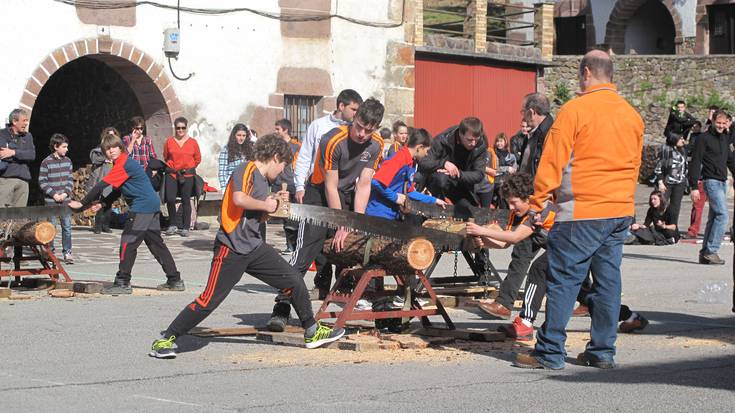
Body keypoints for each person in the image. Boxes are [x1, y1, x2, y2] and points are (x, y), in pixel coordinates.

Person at [148, 135, 344, 359]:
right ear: (275, 157)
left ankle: (311, 331)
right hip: (231, 247)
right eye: (282, 166)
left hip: (253, 247)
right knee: (209, 301)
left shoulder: (262, 181)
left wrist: (274, 206)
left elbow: (256, 217)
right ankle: (166, 339)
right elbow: (239, 199)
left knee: (294, 280)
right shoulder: (246, 169)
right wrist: (267, 204)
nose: (281, 172)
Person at [513, 50, 644, 370]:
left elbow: (552, 162)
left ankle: (550, 352)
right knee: (608, 282)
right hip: (618, 209)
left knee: (564, 281)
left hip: (582, 209)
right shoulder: (632, 115)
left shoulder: (575, 110)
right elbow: (636, 165)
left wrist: (538, 202)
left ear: (586, 72)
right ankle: (602, 351)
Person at [467, 174, 647, 341]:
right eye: (508, 203)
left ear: (528, 198)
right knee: (584, 294)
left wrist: (481, 230)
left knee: (539, 269)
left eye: (514, 203)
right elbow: (504, 243)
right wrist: (484, 240)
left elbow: (515, 237)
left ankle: (525, 322)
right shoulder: (518, 213)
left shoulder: (541, 208)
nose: (511, 208)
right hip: (560, 248)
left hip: (573, 244)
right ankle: (629, 316)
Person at [278, 98, 385, 332]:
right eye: (359, 126)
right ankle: (282, 307)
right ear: (353, 118)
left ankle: (345, 299)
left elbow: (364, 185)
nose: (361, 134)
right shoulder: (332, 139)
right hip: (319, 194)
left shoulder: (377, 144)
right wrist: (341, 223)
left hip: (345, 193)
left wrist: (356, 222)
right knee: (306, 251)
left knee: (351, 247)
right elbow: (330, 186)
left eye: (369, 130)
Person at [69, 133, 184, 295]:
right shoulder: (122, 164)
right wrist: (102, 203)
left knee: (128, 243)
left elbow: (101, 185)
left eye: (114, 147)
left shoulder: (123, 163)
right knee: (156, 244)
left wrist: (82, 204)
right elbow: (117, 190)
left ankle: (122, 282)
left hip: (142, 207)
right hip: (150, 205)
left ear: (120, 147)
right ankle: (175, 280)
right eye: (107, 149)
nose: (111, 151)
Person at [481, 94, 553, 320]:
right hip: (531, 200)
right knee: (522, 251)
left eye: (523, 112)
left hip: (544, 204)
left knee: (559, 259)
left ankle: (591, 300)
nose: (522, 116)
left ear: (532, 111)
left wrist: (539, 202)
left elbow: (550, 170)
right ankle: (504, 303)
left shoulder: (552, 133)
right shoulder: (534, 136)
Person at [293, 89, 363, 204]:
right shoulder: (318, 125)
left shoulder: (356, 130)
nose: (356, 114)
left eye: (358, 110)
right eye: (353, 109)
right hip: (317, 187)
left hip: (343, 190)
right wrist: (299, 187)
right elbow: (305, 157)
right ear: (341, 106)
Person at [366, 127, 447, 220]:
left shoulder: (411, 162)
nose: (427, 154)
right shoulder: (399, 158)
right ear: (419, 147)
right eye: (427, 151)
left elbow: (410, 192)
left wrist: (434, 200)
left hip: (392, 214)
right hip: (379, 213)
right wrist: (395, 197)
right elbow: (376, 182)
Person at [688, 110, 732, 265]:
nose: (720, 126)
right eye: (718, 123)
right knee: (723, 215)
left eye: (723, 123)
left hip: (722, 182)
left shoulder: (725, 138)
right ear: (712, 122)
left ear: (727, 123)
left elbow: (730, 160)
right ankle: (711, 250)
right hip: (710, 181)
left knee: (714, 217)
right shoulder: (703, 138)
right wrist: (693, 186)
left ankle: (705, 253)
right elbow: (695, 162)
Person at [38, 133, 74, 264]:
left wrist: (65, 194)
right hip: (51, 201)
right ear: (55, 146)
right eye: (64, 147)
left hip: (65, 200)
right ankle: (50, 252)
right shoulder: (46, 162)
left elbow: (70, 180)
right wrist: (54, 194)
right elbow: (42, 181)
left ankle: (67, 252)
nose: (66, 149)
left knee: (67, 226)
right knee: (51, 227)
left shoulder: (68, 161)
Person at [163, 117, 202, 237]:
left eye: (183, 128)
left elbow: (198, 158)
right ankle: (173, 224)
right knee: (170, 199)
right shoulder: (169, 141)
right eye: (178, 128)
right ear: (175, 128)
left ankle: (185, 227)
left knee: (186, 200)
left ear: (186, 128)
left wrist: (188, 168)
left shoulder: (192, 142)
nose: (180, 130)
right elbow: (166, 156)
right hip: (172, 173)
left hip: (187, 175)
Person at [274, 118, 301, 253]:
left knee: (294, 215)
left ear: (285, 130)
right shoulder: (276, 146)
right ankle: (289, 245)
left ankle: (296, 245)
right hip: (279, 184)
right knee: (284, 215)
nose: (276, 131)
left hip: (292, 184)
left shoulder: (296, 146)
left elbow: (300, 166)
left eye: (278, 129)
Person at [0, 109, 35, 207]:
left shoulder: (28, 136)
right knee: (4, 217)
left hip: (24, 182)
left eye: (27, 120)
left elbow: (32, 155)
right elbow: (2, 154)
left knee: (19, 217)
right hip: (6, 180)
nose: (26, 123)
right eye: (24, 120)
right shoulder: (2, 134)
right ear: (14, 121)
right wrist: (22, 154)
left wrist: (13, 152)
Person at [654, 132, 687, 230]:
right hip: (666, 183)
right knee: (660, 205)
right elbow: (658, 168)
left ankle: (672, 228)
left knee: (675, 208)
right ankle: (658, 227)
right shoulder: (666, 150)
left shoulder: (682, 150)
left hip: (679, 183)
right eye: (681, 139)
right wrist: (660, 182)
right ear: (674, 139)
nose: (683, 141)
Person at [87, 128, 117, 234]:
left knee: (108, 202)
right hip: (101, 178)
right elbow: (94, 158)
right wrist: (105, 158)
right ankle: (98, 226)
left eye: (113, 135)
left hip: (112, 178)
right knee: (99, 201)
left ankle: (106, 225)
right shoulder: (99, 150)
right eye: (109, 135)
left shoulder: (117, 150)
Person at [218, 123, 254, 190]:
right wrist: (224, 188)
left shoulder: (249, 148)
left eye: (244, 135)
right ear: (234, 136)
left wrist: (253, 139)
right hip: (232, 184)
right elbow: (222, 172)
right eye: (239, 135)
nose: (241, 138)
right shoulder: (226, 150)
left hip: (247, 184)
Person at [491, 132, 517, 209]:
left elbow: (514, 169)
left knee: (505, 199)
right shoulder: (493, 154)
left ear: (505, 142)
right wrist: (507, 168)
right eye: (497, 141)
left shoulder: (511, 156)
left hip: (507, 182)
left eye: (501, 141)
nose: (499, 143)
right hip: (495, 182)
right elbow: (494, 168)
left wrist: (512, 170)